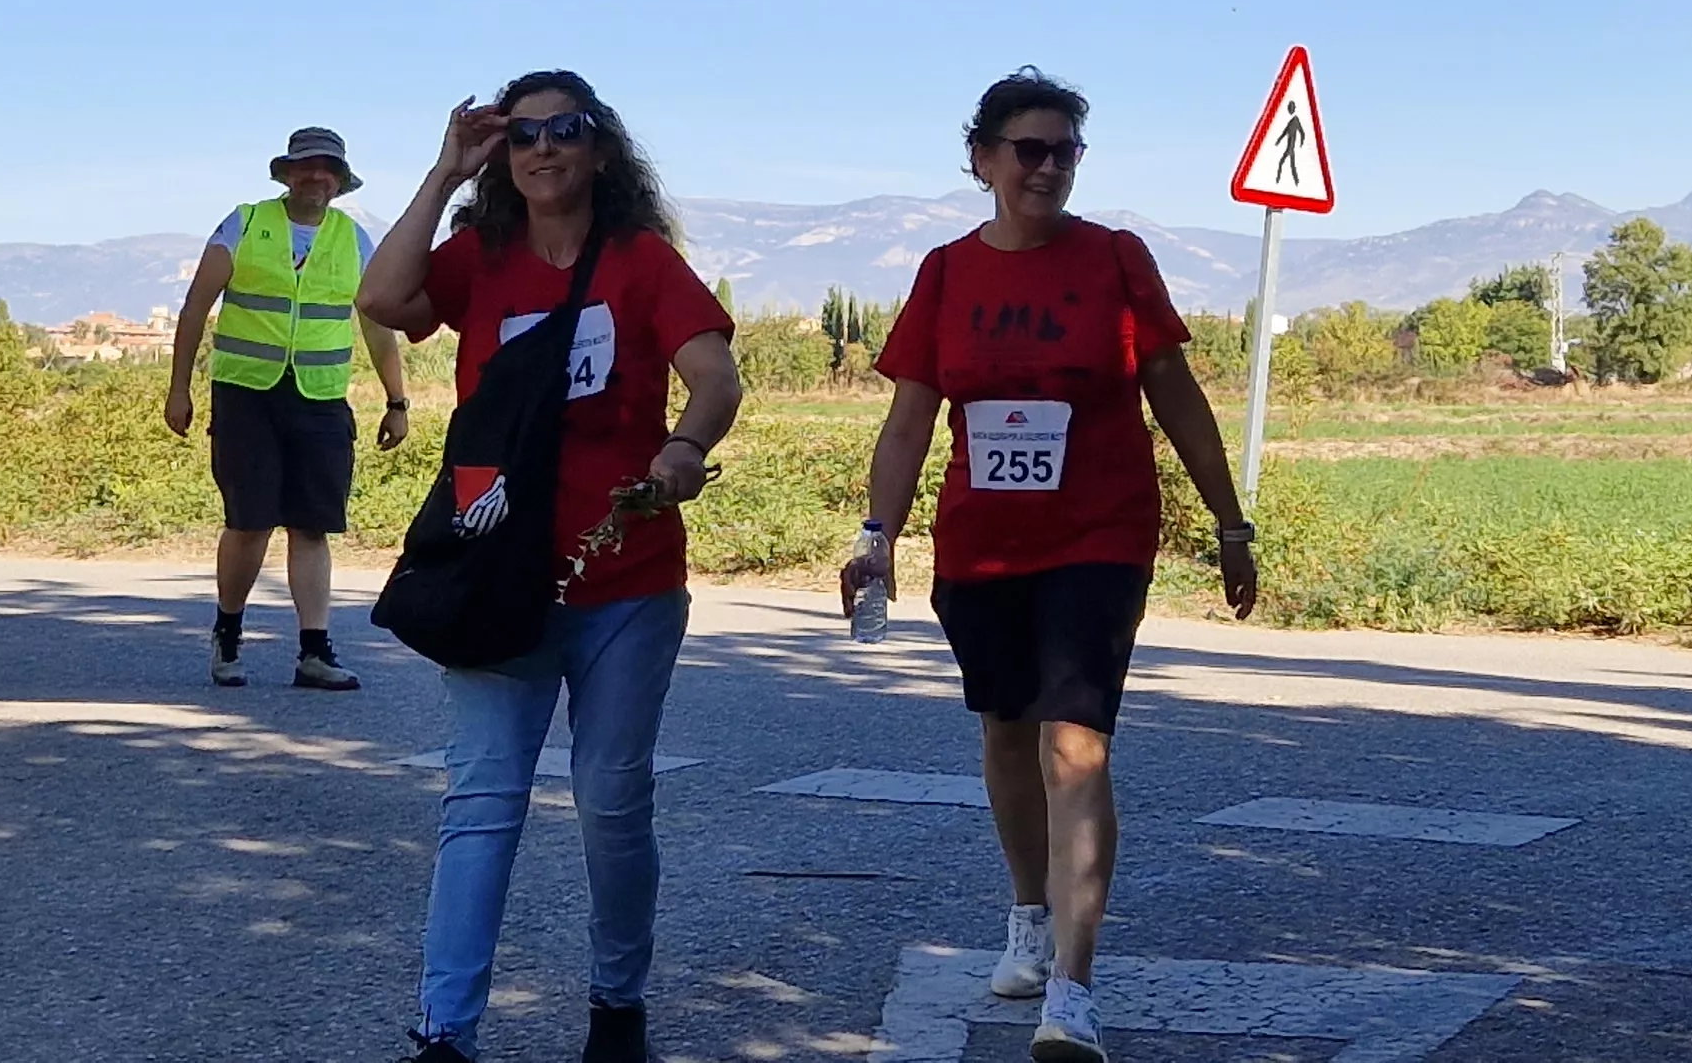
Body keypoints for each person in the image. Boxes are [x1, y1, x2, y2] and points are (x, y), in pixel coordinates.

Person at [838, 70, 1259, 1063]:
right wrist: (875, 535)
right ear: (981, 159)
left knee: (1075, 745)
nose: (1047, 166)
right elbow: (908, 421)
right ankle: (1027, 915)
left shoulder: (1115, 259)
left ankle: (1071, 990)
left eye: (1064, 149)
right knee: (1005, 732)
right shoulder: (946, 272)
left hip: (1098, 536)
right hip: (981, 543)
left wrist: (1230, 523)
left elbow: (1177, 393)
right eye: (1027, 148)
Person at [357, 71, 741, 1063]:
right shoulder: (478, 258)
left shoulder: (641, 261)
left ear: (600, 149)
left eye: (563, 130)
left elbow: (713, 373)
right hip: (498, 571)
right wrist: (444, 172)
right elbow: (383, 298)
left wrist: (684, 451)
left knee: (612, 800)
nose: (540, 148)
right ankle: (445, 1033)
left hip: (626, 573)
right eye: (520, 135)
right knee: (482, 804)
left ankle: (617, 1005)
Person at [166, 125, 414, 690]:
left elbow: (376, 328)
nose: (316, 177)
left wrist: (397, 401)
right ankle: (228, 634)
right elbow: (195, 309)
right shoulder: (246, 223)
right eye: (306, 167)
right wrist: (179, 388)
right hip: (246, 394)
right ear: (287, 173)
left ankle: (314, 652)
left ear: (340, 180)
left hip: (320, 399)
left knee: (312, 526)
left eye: (327, 168)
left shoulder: (353, 240)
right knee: (248, 523)